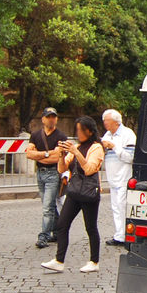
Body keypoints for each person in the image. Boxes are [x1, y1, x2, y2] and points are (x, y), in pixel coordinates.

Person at [41, 116, 105, 273]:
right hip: (75, 191)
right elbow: (61, 170)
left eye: (81, 130)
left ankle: (94, 261)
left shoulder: (96, 148)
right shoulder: (76, 146)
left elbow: (90, 169)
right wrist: (62, 155)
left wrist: (76, 153)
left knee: (90, 227)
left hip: (89, 193)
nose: (78, 133)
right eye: (77, 130)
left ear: (89, 131)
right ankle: (59, 260)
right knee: (62, 224)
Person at [25, 107, 67, 248]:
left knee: (47, 207)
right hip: (40, 173)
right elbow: (29, 154)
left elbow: (57, 157)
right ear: (43, 119)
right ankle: (57, 232)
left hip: (53, 174)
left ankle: (43, 236)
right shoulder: (36, 135)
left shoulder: (61, 136)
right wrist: (48, 154)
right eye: (48, 116)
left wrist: (40, 154)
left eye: (53, 116)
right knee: (48, 205)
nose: (51, 119)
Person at [101, 109, 136, 247]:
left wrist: (114, 147)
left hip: (123, 177)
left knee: (122, 206)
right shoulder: (107, 135)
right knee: (115, 207)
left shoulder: (127, 134)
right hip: (112, 178)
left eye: (107, 121)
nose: (104, 123)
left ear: (115, 122)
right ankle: (119, 234)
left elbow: (130, 157)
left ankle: (125, 235)